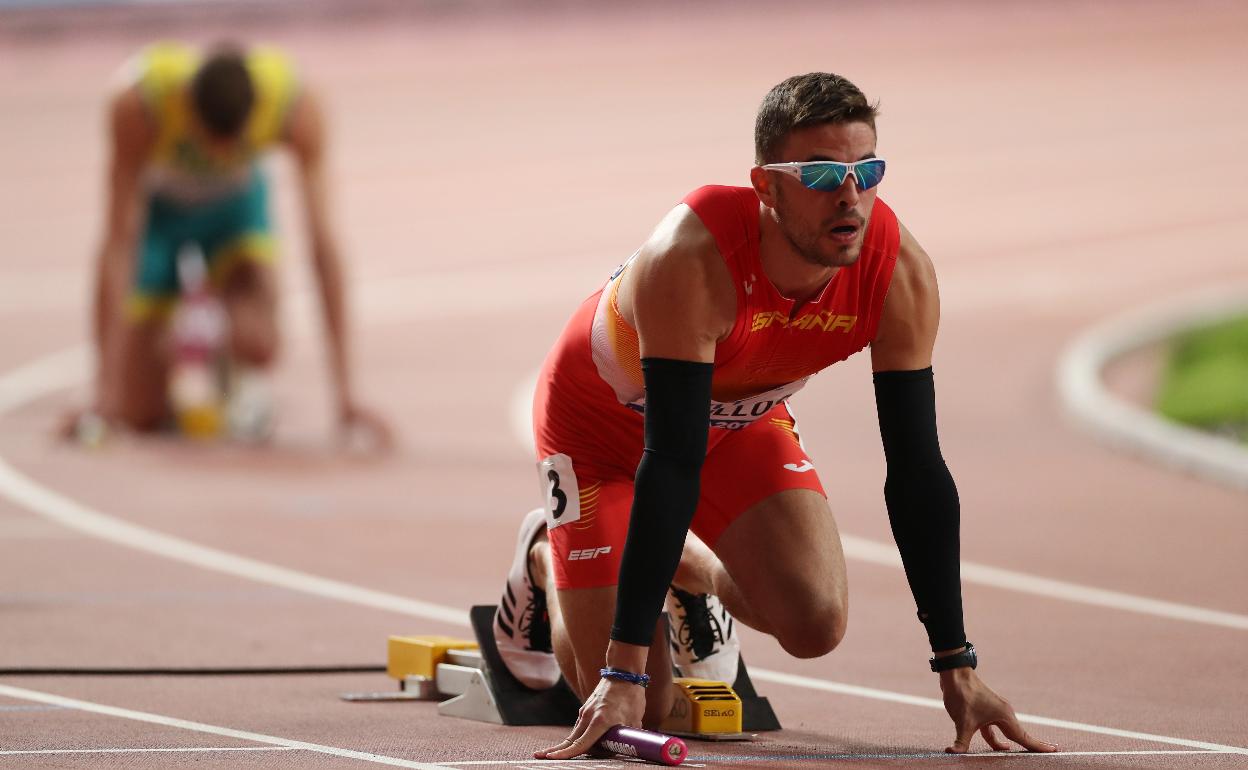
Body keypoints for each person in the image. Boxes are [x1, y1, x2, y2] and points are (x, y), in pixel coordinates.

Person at [492, 72, 1058, 757]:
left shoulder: (898, 272)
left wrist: (957, 665)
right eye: (821, 175)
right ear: (766, 186)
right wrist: (618, 672)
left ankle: (679, 568)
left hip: (739, 421)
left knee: (817, 623)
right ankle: (546, 558)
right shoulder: (690, 258)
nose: (850, 196)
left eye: (866, 170)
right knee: (651, 706)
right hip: (600, 430)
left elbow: (916, 469)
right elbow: (668, 464)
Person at [77, 40, 389, 446]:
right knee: (135, 412)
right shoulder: (140, 105)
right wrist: (104, 392)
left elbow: (323, 244)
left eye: (234, 146)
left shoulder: (294, 106)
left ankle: (231, 373)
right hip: (163, 214)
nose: (219, 155)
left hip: (234, 212)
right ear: (188, 106)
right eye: (209, 143)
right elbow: (119, 244)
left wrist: (346, 397)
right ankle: (170, 362)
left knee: (259, 337)